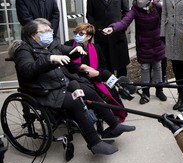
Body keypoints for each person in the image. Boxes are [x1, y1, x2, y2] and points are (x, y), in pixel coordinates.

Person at [14, 18, 135, 155]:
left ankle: (114, 125)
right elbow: (27, 70)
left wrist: (78, 48)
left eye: (50, 30)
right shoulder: (23, 50)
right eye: (44, 31)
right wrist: (49, 59)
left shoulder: (53, 45)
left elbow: (69, 51)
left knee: (90, 92)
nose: (49, 34)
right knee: (75, 101)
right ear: (32, 34)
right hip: (45, 89)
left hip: (62, 83)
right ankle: (94, 143)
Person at [103, 0, 167, 105]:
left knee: (158, 67)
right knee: (144, 68)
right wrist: (113, 28)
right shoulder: (135, 9)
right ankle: (145, 92)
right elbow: (124, 21)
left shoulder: (157, 7)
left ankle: (159, 90)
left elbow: (167, 19)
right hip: (144, 44)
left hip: (157, 43)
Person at [64, 22, 127, 122]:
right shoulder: (68, 45)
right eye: (75, 33)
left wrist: (97, 73)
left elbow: (102, 66)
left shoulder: (96, 48)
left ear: (89, 36)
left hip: (93, 77)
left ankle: (123, 93)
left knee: (110, 85)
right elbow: (66, 64)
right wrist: (83, 68)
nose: (76, 35)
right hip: (77, 78)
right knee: (95, 91)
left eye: (80, 34)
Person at [86, 0, 130, 77]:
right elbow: (89, 14)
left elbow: (126, 12)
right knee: (105, 65)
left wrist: (121, 27)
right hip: (101, 36)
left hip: (117, 35)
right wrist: (95, 29)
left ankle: (124, 89)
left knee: (121, 65)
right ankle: (110, 90)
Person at [149, 0, 167, 83]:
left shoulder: (164, 0)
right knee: (149, 55)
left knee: (162, 55)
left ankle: (163, 76)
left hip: (161, 31)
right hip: (149, 32)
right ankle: (150, 77)